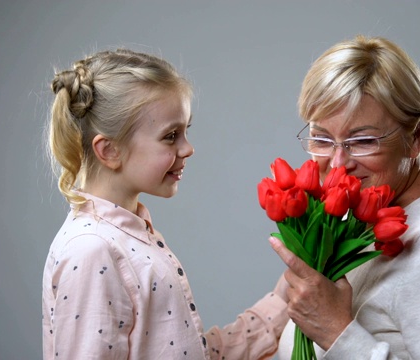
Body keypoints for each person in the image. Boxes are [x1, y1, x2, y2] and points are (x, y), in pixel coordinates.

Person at [270, 35, 420, 359]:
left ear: (417, 135)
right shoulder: (361, 216)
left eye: (364, 140)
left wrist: (337, 333)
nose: (339, 163)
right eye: (322, 139)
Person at [42, 48, 289, 359]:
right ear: (109, 150)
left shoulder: (130, 235)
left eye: (186, 132)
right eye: (171, 136)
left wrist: (283, 300)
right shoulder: (92, 249)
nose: (188, 149)